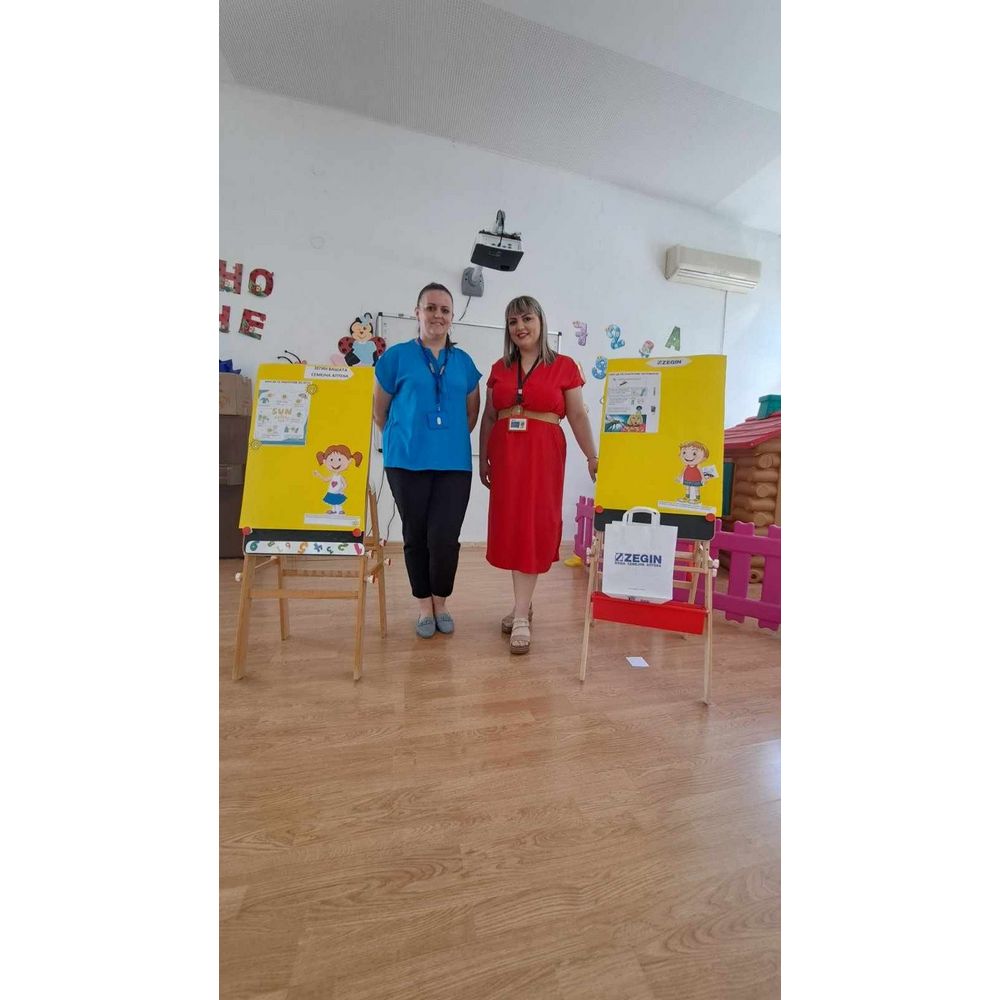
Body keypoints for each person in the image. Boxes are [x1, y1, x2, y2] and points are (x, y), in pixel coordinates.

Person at [479, 295, 598, 654]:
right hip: (506, 457)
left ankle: (521, 616)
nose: (520, 327)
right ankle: (522, 605)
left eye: (527, 319)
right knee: (513, 527)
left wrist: (592, 456)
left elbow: (577, 415)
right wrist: (484, 458)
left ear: (541, 322)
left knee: (532, 526)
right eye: (513, 322)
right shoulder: (499, 368)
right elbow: (489, 416)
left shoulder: (564, 366)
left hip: (543, 456)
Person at [374, 283, 482, 638]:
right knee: (415, 535)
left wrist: (444, 440)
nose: (438, 315)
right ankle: (423, 606)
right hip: (406, 462)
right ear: (417, 312)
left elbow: (471, 414)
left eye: (445, 310)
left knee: (445, 537)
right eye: (431, 308)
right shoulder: (395, 357)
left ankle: (441, 602)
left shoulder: (464, 363)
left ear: (452, 317)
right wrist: (406, 438)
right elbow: (380, 411)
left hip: (454, 464)